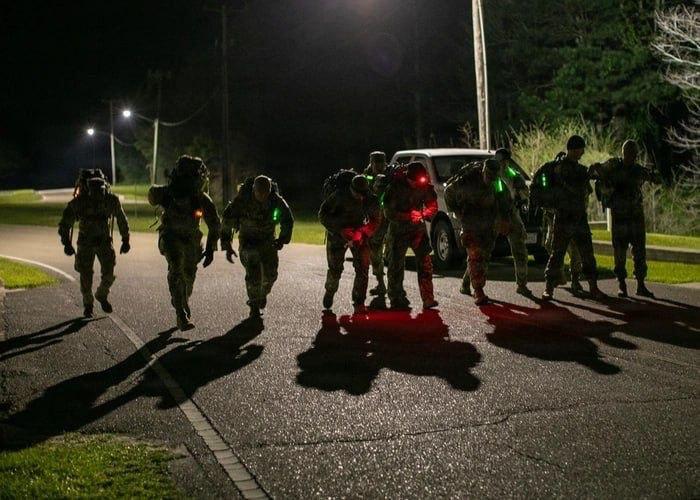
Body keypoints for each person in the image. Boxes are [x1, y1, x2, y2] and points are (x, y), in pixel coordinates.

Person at [148, 155, 220, 331]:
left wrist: (210, 249)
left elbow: (214, 224)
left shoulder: (200, 198)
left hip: (191, 241)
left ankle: (180, 300)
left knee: (188, 277)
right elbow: (152, 196)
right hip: (171, 238)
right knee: (176, 269)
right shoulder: (168, 193)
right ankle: (181, 314)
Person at [590, 139, 662, 297]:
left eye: (633, 154)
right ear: (624, 153)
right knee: (620, 251)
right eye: (629, 153)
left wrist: (654, 175)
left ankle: (640, 284)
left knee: (639, 251)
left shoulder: (638, 170)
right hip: (620, 215)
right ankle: (621, 283)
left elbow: (655, 179)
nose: (631, 156)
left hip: (635, 216)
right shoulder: (614, 166)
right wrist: (599, 172)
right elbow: (594, 172)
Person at [542, 136, 606, 301]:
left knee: (586, 254)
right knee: (558, 254)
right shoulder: (561, 169)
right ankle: (549, 287)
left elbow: (587, 187)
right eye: (581, 149)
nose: (582, 152)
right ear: (575, 149)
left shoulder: (578, 169)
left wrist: (593, 172)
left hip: (577, 217)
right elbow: (574, 185)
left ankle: (592, 286)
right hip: (564, 217)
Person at [58, 170, 130, 317]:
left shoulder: (111, 201)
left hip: (104, 241)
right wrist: (66, 243)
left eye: (100, 190)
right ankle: (88, 304)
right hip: (86, 243)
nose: (97, 194)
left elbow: (122, 219)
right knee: (86, 275)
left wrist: (125, 239)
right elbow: (65, 223)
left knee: (108, 273)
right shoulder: (80, 202)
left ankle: (102, 294)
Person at [221, 175, 294, 317]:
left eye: (265, 192)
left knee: (271, 275)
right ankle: (254, 304)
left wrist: (282, 239)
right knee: (253, 271)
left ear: (269, 191)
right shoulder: (243, 201)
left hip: (268, 241)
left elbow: (288, 220)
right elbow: (227, 220)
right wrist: (227, 245)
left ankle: (262, 294)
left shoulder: (276, 201)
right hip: (248, 241)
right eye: (259, 192)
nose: (262, 195)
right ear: (253, 190)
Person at [445, 159, 512, 305]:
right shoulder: (467, 180)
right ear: (483, 171)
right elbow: (448, 192)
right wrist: (456, 211)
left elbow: (505, 201)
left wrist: (505, 220)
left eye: (493, 177)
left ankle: (466, 283)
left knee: (483, 257)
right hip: (470, 222)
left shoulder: (497, 183)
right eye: (488, 175)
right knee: (475, 255)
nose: (490, 179)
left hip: (488, 223)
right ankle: (478, 290)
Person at [319, 175, 381, 312]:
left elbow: (375, 220)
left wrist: (363, 232)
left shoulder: (371, 199)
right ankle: (330, 290)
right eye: (357, 193)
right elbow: (323, 215)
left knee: (363, 267)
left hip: (359, 235)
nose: (360, 197)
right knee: (335, 268)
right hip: (337, 235)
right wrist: (339, 229)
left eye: (362, 194)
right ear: (351, 189)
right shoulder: (338, 196)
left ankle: (359, 300)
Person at [383, 162, 439, 310]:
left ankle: (428, 298)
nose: (416, 185)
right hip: (398, 231)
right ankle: (396, 298)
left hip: (418, 231)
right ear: (408, 178)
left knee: (425, 263)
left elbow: (432, 205)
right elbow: (388, 212)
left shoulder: (424, 186)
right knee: (395, 265)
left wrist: (425, 213)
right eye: (414, 182)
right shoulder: (395, 188)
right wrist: (408, 215)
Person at [493, 148, 531, 295]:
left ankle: (522, 284)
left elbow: (524, 193)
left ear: (507, 161)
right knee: (481, 251)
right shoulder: (490, 175)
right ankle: (469, 282)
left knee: (520, 250)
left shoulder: (514, 176)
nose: (500, 163)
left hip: (510, 214)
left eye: (502, 161)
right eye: (498, 161)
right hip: (492, 215)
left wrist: (521, 196)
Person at [363, 151, 389, 297]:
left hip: (391, 218)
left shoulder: (390, 174)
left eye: (381, 163)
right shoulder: (366, 175)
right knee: (375, 251)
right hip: (375, 219)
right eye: (376, 163)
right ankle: (381, 283)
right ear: (371, 163)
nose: (378, 166)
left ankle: (391, 287)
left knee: (393, 254)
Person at [542, 209, 583, 294]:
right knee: (550, 245)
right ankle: (558, 275)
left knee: (574, 248)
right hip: (554, 213)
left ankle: (575, 279)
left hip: (572, 215)